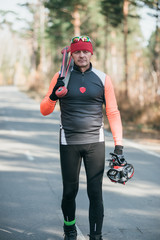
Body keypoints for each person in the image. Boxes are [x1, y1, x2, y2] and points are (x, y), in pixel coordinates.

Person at [40, 36, 124, 240]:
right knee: (70, 191)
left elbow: (112, 112)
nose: (82, 55)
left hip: (95, 142)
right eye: (77, 51)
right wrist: (54, 96)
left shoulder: (103, 78)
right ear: (71, 54)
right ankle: (70, 229)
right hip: (69, 142)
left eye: (85, 51)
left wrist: (118, 145)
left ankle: (96, 235)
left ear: (91, 53)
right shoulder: (61, 76)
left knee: (95, 193)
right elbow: (44, 110)